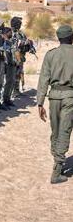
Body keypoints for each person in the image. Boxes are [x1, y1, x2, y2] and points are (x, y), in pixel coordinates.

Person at [37, 25, 73, 184]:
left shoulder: (50, 55)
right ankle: (57, 169)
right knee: (64, 131)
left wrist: (39, 102)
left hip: (54, 97)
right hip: (70, 96)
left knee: (56, 130)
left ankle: (56, 158)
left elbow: (43, 79)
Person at [11, 16, 27, 96]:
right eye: (19, 24)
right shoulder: (10, 33)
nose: (20, 25)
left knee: (19, 73)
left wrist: (26, 44)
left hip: (20, 56)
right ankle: (12, 91)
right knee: (12, 74)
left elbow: (25, 42)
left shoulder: (21, 34)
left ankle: (16, 90)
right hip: (12, 57)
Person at [2, 27, 17, 107]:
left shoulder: (10, 42)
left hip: (12, 65)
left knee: (11, 82)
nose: (11, 34)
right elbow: (6, 55)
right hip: (7, 66)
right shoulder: (5, 42)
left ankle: (8, 99)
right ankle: (4, 99)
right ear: (6, 33)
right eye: (9, 32)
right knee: (6, 83)